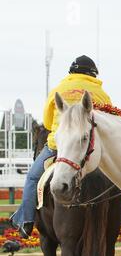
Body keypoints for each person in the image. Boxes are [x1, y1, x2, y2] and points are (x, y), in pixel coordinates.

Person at [10, 55, 112, 238]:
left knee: (33, 179)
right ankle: (120, 217)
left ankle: (26, 221)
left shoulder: (58, 89)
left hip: (58, 146)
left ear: (71, 72)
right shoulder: (100, 93)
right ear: (93, 74)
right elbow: (110, 121)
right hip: (89, 148)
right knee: (114, 175)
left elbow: (48, 123)